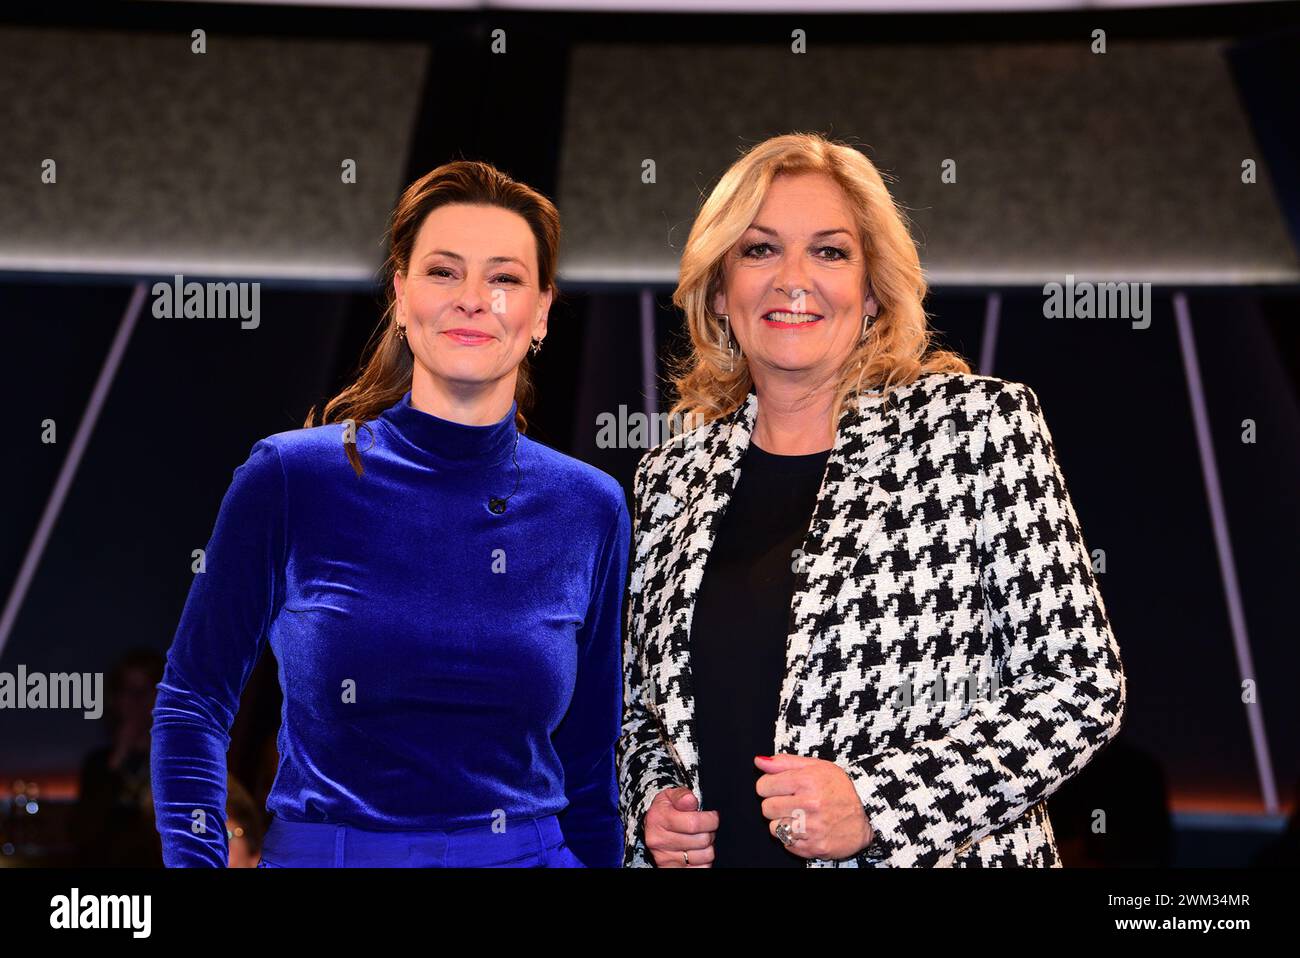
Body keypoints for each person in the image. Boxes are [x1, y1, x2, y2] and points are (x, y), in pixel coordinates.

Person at [618, 132, 1126, 867]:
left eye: (829, 252)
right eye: (759, 250)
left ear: (873, 291)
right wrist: (652, 802)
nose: (794, 279)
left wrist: (878, 804)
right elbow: (637, 712)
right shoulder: (670, 479)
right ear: (721, 291)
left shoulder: (975, 430)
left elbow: (1082, 685)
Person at [151, 160, 629, 868]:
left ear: (542, 312)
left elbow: (590, 761)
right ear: (402, 297)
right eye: (443, 271)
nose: (472, 299)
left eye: (503, 278)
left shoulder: (591, 506)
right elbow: (192, 701)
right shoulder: (289, 478)